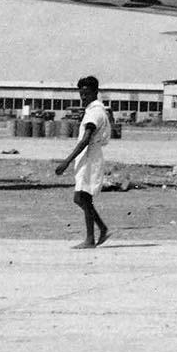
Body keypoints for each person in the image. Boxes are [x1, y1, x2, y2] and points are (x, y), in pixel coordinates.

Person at [53, 75, 111, 249]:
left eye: (87, 93)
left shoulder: (95, 113)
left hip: (90, 156)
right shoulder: (94, 111)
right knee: (81, 198)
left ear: (95, 92)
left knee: (83, 197)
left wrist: (66, 161)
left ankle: (91, 238)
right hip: (88, 155)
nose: (83, 97)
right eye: (81, 94)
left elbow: (85, 139)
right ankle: (101, 228)